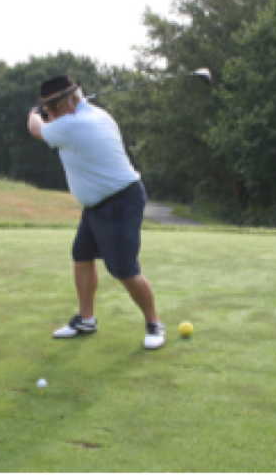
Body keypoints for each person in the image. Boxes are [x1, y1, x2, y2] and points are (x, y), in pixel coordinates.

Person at [27, 74, 165, 350]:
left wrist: (34, 111)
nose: (50, 114)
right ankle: (86, 319)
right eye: (47, 109)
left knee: (124, 268)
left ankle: (154, 323)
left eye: (53, 107)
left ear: (70, 100)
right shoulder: (96, 114)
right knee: (82, 254)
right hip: (99, 204)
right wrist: (49, 110)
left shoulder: (73, 125)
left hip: (119, 202)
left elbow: (35, 128)